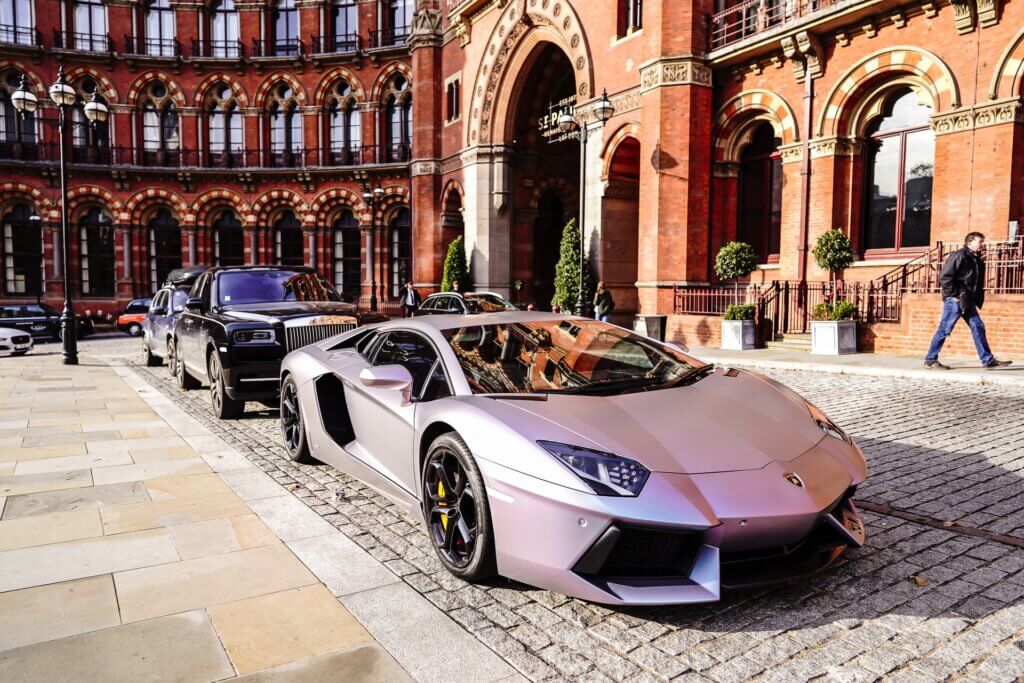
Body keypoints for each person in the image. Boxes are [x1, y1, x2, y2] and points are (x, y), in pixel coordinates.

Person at [924, 232, 1012, 370]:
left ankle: (987, 360)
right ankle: (930, 359)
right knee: (945, 328)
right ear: (970, 242)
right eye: (980, 242)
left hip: (968, 300)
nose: (983, 244)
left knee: (978, 327)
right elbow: (944, 276)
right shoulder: (959, 255)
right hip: (955, 300)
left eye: (983, 241)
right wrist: (954, 295)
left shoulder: (976, 259)